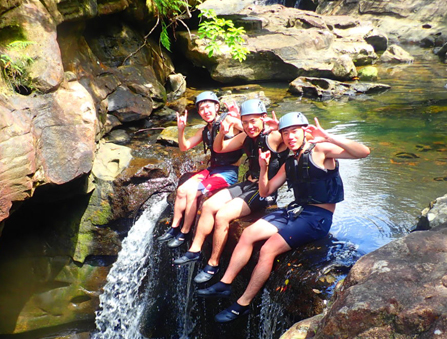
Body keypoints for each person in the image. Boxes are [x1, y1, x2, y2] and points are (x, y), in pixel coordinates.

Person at [197, 112, 371, 323]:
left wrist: (329, 137)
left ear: (304, 132)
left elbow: (363, 152)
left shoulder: (321, 151)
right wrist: (263, 169)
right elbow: (264, 191)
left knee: (268, 249)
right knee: (249, 234)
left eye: (294, 132)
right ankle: (225, 283)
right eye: (285, 133)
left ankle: (242, 304)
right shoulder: (290, 161)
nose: (290, 137)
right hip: (295, 210)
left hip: (317, 217)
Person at [173, 99, 288, 287]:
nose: (250, 126)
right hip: (247, 183)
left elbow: (298, 140)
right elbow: (219, 148)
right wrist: (222, 133)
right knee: (209, 205)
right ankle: (194, 250)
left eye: (254, 121)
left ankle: (213, 264)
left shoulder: (273, 137)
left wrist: (279, 127)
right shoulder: (245, 137)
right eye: (245, 122)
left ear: (263, 119)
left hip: (264, 191)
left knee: (223, 216)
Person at [157, 91, 243, 248]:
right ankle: (174, 228)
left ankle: (184, 232)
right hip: (212, 170)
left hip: (228, 173)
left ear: (217, 107)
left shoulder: (229, 120)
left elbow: (251, 130)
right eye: (202, 109)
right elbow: (184, 147)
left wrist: (239, 117)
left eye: (209, 107)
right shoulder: (204, 130)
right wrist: (181, 129)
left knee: (193, 192)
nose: (206, 111)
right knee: (182, 190)